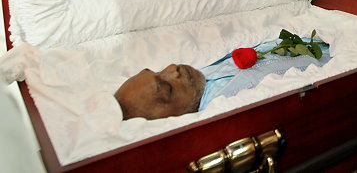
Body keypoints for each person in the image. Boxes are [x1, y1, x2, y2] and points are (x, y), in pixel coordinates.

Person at [114, 39, 330, 120]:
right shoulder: (228, 103)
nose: (173, 68)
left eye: (159, 72)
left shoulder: (198, 79)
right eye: (167, 87)